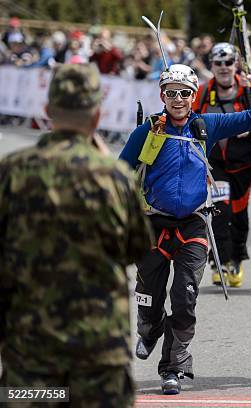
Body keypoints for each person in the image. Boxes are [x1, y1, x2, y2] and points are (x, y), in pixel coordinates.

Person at [119, 62, 251, 394]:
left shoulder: (205, 126)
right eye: (171, 93)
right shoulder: (148, 131)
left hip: (193, 225)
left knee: (185, 297)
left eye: (184, 93)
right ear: (162, 95)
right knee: (149, 302)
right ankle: (149, 329)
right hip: (152, 223)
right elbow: (119, 175)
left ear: (194, 95)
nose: (177, 99)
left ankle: (174, 368)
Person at [0, 63, 153, 406]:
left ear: (48, 111)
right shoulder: (113, 177)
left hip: (29, 350)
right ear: (98, 116)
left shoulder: (12, 171)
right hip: (99, 353)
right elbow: (138, 247)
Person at [192, 42, 251, 288]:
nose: (224, 68)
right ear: (211, 65)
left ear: (236, 64)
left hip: (243, 163)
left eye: (228, 62)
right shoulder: (202, 93)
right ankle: (220, 261)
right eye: (218, 63)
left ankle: (237, 258)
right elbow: (186, 120)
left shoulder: (247, 90)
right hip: (215, 164)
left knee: (239, 213)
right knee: (221, 211)